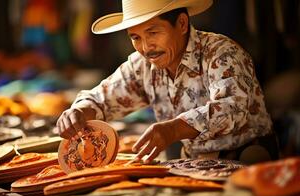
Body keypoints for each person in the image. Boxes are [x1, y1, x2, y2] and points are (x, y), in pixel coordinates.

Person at [57, 0, 279, 164]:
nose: (145, 47)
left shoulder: (221, 53)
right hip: (195, 163)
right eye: (136, 37)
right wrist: (79, 112)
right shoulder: (142, 65)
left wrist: (174, 129)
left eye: (153, 32)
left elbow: (233, 109)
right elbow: (102, 99)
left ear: (182, 24)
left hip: (248, 156)